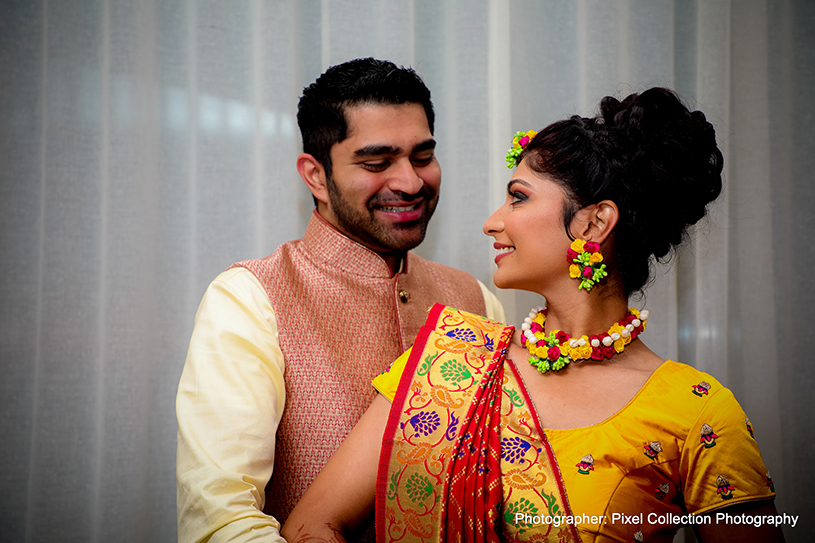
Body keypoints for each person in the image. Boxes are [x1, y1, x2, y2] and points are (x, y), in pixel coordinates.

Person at [281, 88, 784, 542]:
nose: (492, 221)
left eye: (518, 197)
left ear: (593, 222)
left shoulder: (697, 412)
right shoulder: (449, 363)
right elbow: (309, 527)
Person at [175, 58, 505, 543]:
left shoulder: (475, 299)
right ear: (315, 175)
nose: (410, 182)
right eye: (376, 163)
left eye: (422, 156)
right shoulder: (250, 298)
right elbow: (220, 522)